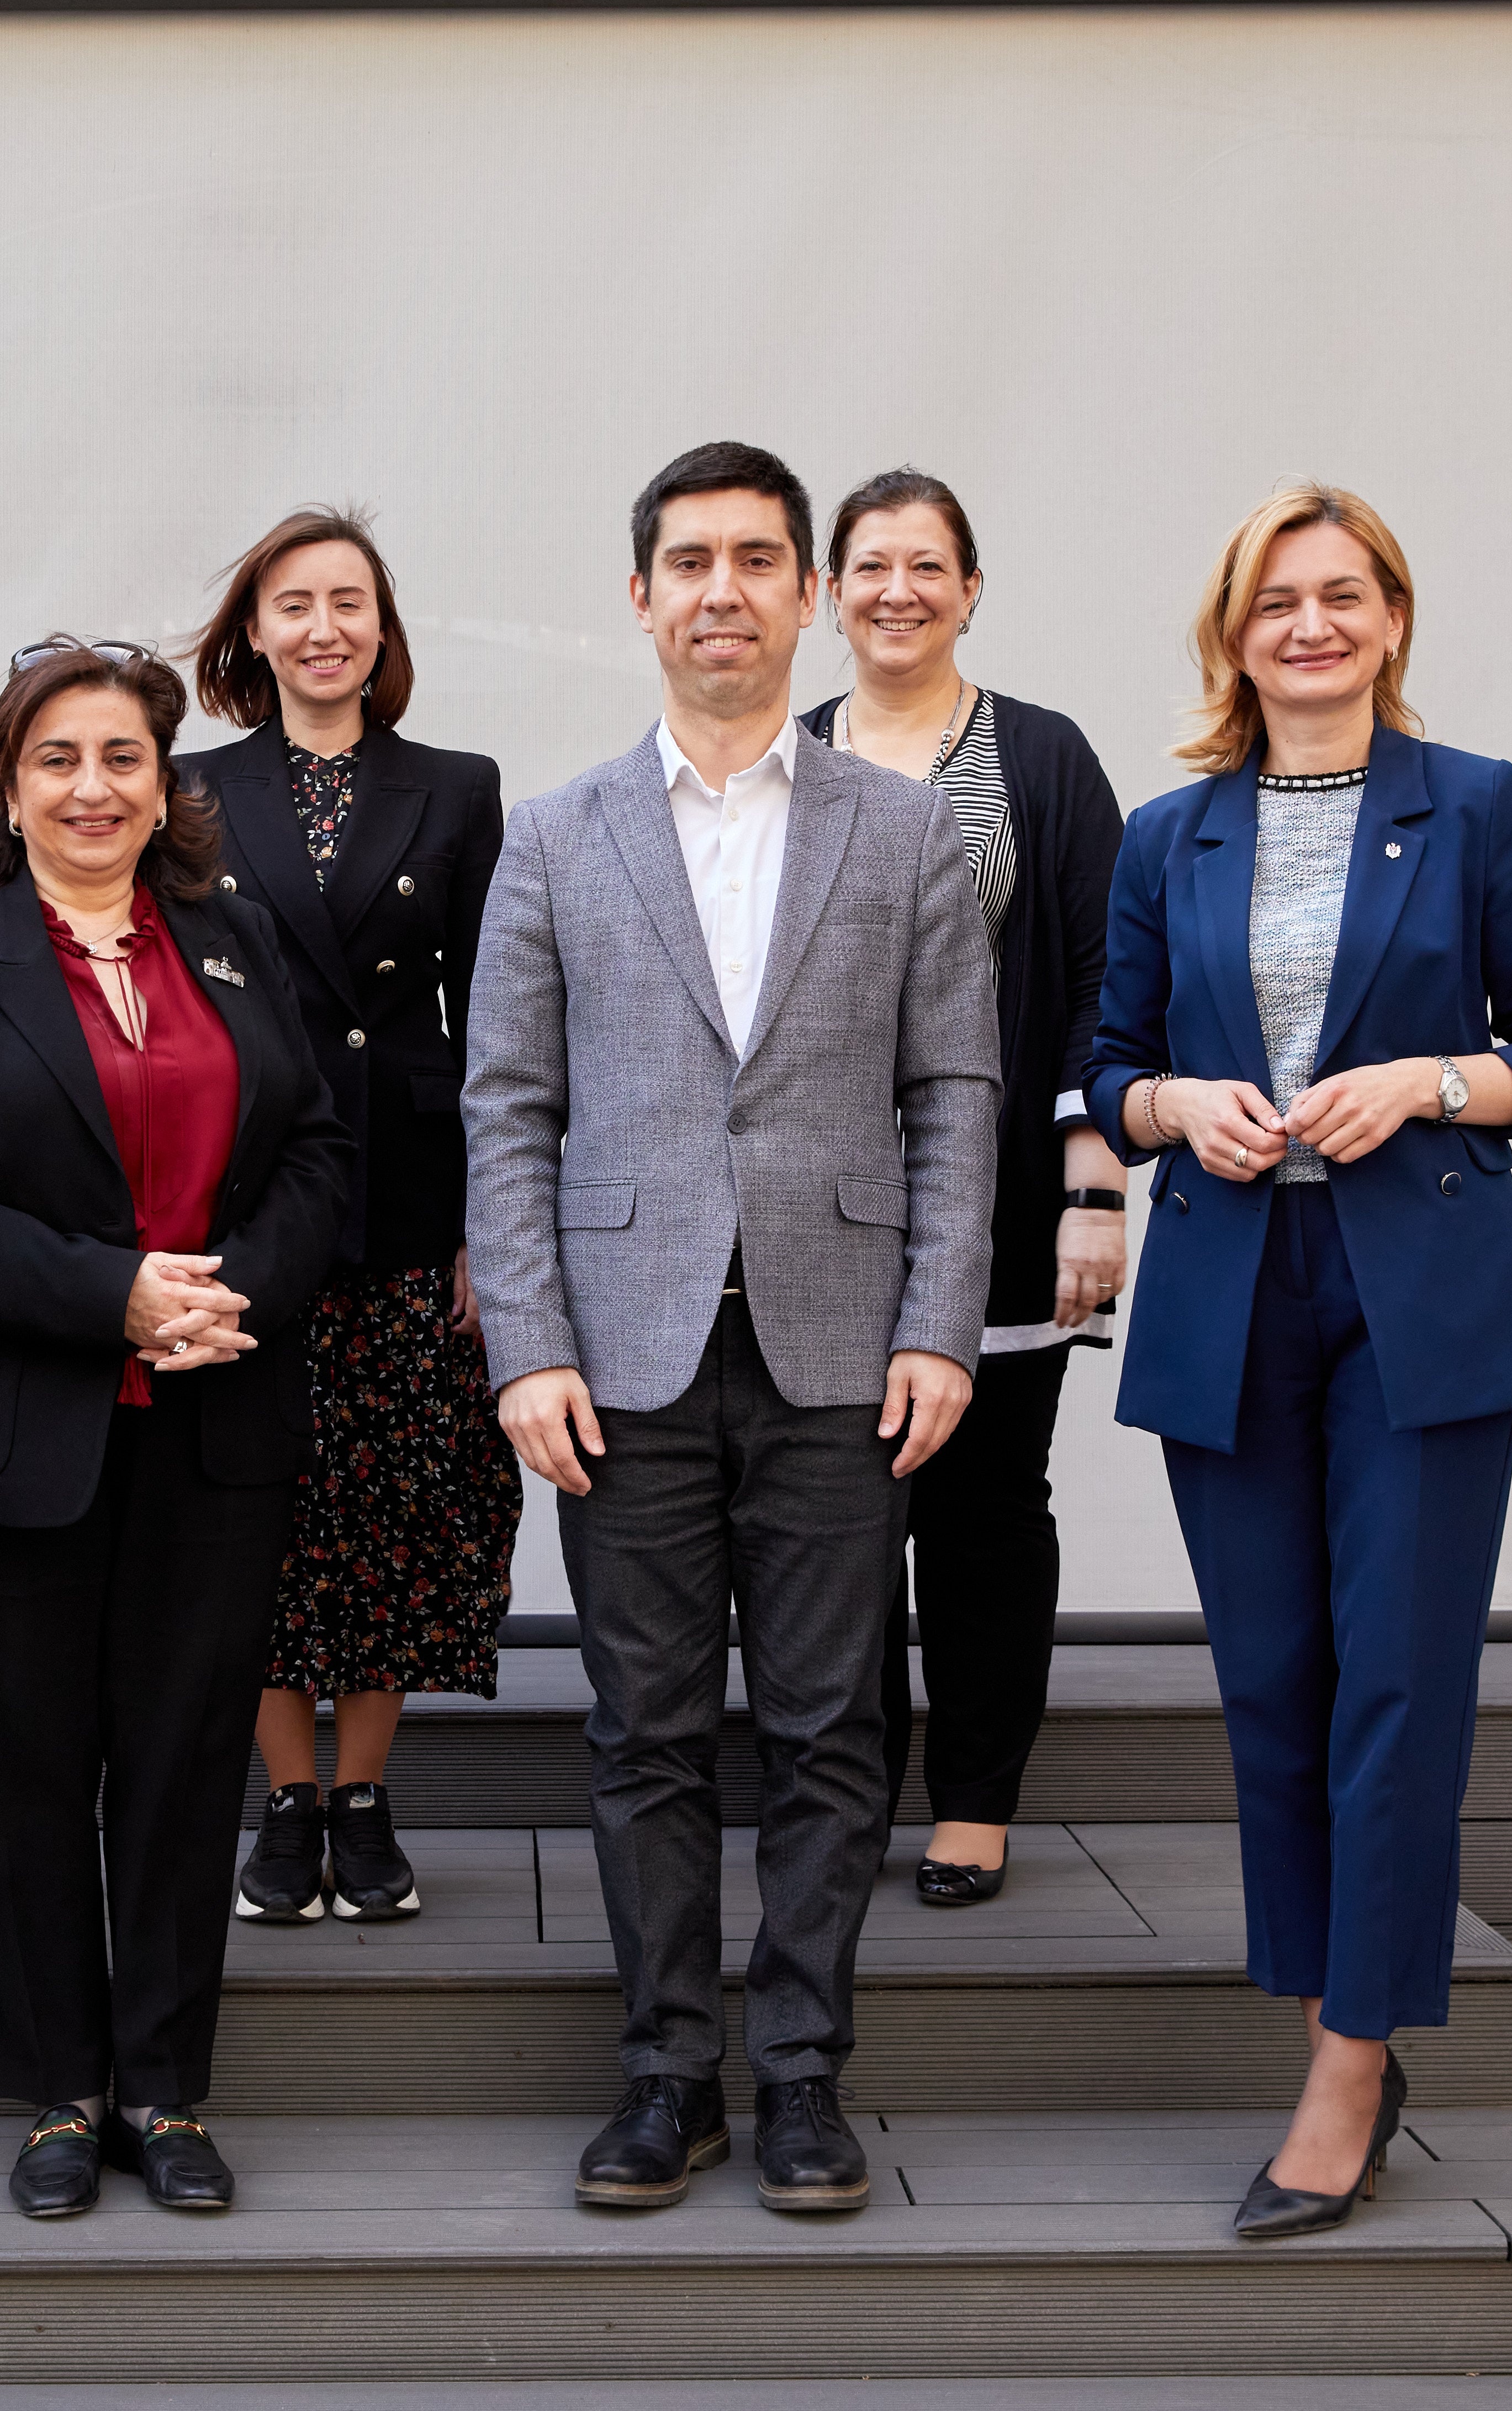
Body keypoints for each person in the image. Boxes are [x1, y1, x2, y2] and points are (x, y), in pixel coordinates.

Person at [465, 442, 1001, 2217]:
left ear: (803, 594)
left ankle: (798, 2075)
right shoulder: (550, 836)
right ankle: (661, 2073)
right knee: (642, 1728)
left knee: (838, 1725)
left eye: (754, 558)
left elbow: (954, 1093)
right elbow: (508, 1108)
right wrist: (527, 1344)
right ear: (639, 597)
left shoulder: (906, 830)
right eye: (685, 560)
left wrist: (939, 1321)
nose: (718, 588)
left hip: (843, 1347)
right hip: (617, 1359)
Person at [1086, 484, 1512, 2240]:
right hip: (1230, 1285)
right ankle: (1341, 2013)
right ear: (1231, 635)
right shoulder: (1167, 834)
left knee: (1395, 1681)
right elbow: (1105, 1068)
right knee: (1272, 1685)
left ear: (1389, 615)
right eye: (1272, 602)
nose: (1306, 625)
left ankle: (1346, 2062)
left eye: (1340, 595)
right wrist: (1172, 1104)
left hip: (1419, 1289)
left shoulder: (1468, 806)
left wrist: (1426, 1079)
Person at [0, 638, 351, 2219]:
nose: (90, 787)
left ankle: (163, 2084)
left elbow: (325, 1152)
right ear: (5, 782)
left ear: (164, 782)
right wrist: (116, 1294)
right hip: (10, 1430)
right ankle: (61, 2091)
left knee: (191, 1760)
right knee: (22, 1765)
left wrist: (223, 1296)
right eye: (56, 757)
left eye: (122, 757)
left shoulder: (235, 936)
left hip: (213, 1420)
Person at [177, 507, 516, 1928]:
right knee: (254, 1503)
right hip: (241, 1191)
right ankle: (284, 1796)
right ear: (252, 630)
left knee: (389, 1501)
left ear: (383, 629)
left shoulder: (455, 783)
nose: (324, 627)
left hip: (407, 1179)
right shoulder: (185, 787)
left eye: (351, 603)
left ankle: (363, 1794)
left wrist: (488, 1227)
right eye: (293, 603)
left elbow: (503, 1020)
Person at [799, 468, 1129, 1908]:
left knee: (985, 1504)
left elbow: (1107, 980)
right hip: (810, 1216)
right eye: (868, 565)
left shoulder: (1043, 760)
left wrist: (1090, 1177)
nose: (896, 590)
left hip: (996, 1207)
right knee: (834, 1508)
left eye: (926, 565)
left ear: (970, 588)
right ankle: (846, 1785)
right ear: (827, 592)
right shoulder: (779, 757)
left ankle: (977, 1794)